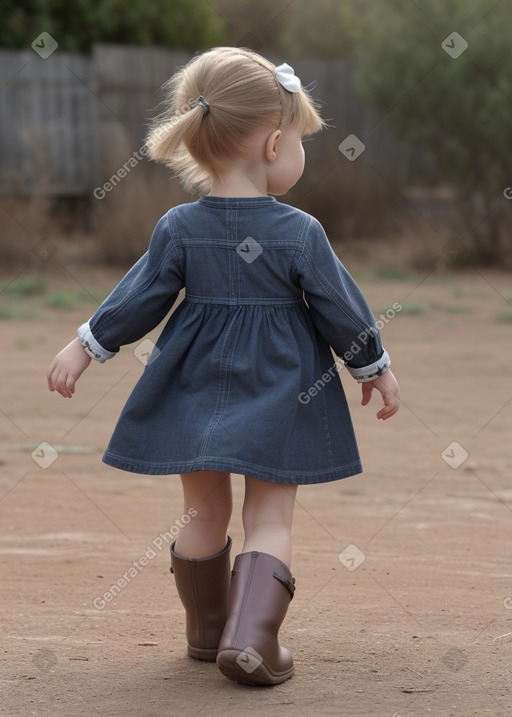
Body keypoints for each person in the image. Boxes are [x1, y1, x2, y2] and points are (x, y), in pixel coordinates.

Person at [47, 47, 400, 686]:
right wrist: (371, 364)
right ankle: (251, 638)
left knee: (202, 513)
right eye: (300, 141)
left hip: (192, 386)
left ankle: (209, 632)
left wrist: (86, 346)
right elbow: (340, 307)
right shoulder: (300, 231)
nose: (302, 154)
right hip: (284, 387)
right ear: (271, 146)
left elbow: (140, 297)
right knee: (269, 515)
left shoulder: (179, 226)